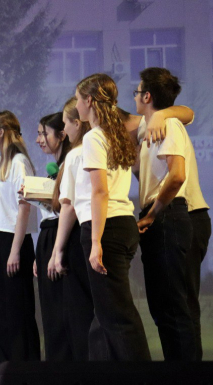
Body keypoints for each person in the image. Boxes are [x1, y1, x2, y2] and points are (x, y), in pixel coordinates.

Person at [74, 73, 151, 361]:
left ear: (89, 101)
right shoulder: (117, 134)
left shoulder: (95, 137)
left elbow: (100, 192)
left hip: (107, 228)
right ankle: (115, 381)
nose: (76, 106)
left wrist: (96, 242)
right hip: (122, 224)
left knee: (117, 316)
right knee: (109, 315)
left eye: (78, 99)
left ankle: (145, 382)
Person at [133, 67, 197, 361]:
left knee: (173, 307)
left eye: (137, 92)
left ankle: (187, 381)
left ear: (147, 96)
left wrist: (153, 213)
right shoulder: (151, 127)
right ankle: (175, 377)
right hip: (159, 216)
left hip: (167, 215)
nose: (135, 97)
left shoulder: (168, 124)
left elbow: (177, 175)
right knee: (162, 308)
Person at [0, 111, 41, 363]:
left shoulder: (19, 162)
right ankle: (8, 368)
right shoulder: (2, 164)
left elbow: (23, 206)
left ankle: (26, 369)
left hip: (13, 241)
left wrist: (15, 250)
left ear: (2, 132)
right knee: (2, 310)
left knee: (18, 310)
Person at [48, 97, 94, 361]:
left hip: (78, 235)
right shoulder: (105, 146)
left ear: (77, 123)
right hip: (98, 229)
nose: (64, 130)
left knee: (80, 311)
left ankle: (86, 372)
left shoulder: (76, 154)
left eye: (65, 123)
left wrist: (57, 251)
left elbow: (68, 206)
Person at [33, 112, 73, 361]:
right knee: (50, 312)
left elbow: (67, 208)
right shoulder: (53, 171)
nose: (39, 139)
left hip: (63, 237)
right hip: (48, 237)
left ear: (62, 135)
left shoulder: (71, 164)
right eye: (38, 134)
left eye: (44, 133)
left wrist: (56, 251)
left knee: (64, 310)